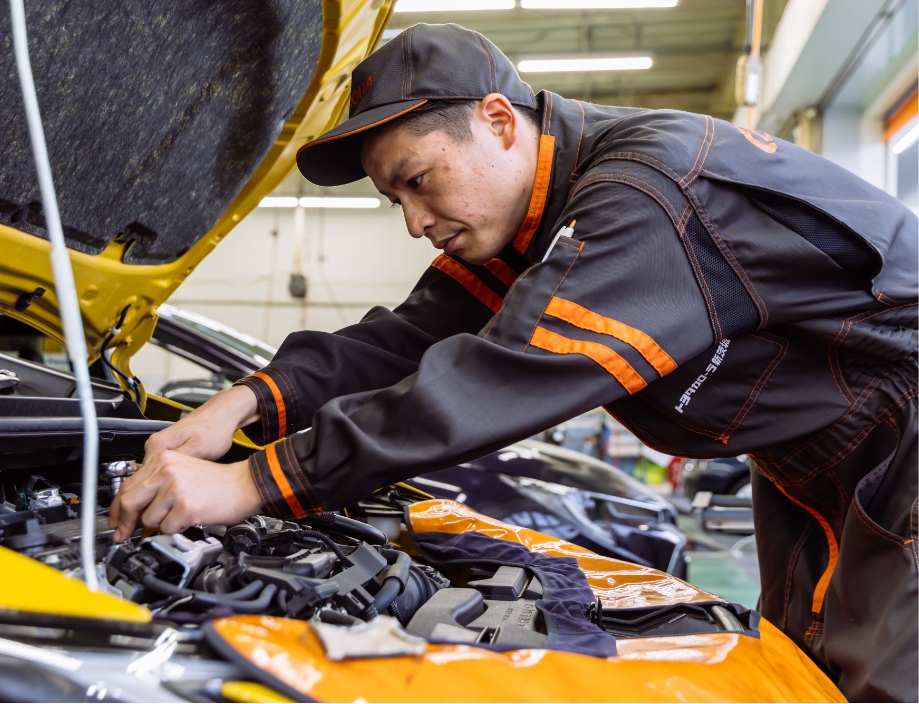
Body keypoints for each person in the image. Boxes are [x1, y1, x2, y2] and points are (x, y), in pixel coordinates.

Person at [109, 23, 917, 700]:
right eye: (397, 200)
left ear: (498, 120)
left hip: (903, 449)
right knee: (803, 680)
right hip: (815, 467)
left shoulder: (647, 194)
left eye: (419, 182)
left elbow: (501, 374)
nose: (415, 222)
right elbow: (406, 336)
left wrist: (254, 482)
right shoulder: (534, 216)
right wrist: (243, 405)